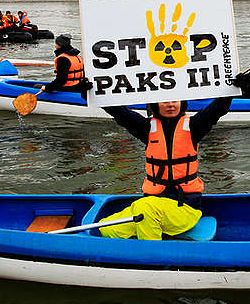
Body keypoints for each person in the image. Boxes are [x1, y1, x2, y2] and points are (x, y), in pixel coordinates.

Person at [98, 96, 232, 240]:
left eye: (175, 100)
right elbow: (121, 113)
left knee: (145, 208)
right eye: (165, 101)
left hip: (185, 209)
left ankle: (151, 254)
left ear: (182, 103)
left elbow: (217, 109)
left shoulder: (194, 127)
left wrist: (231, 91)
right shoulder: (146, 128)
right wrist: (95, 95)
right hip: (153, 205)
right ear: (156, 104)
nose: (171, 105)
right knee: (105, 228)